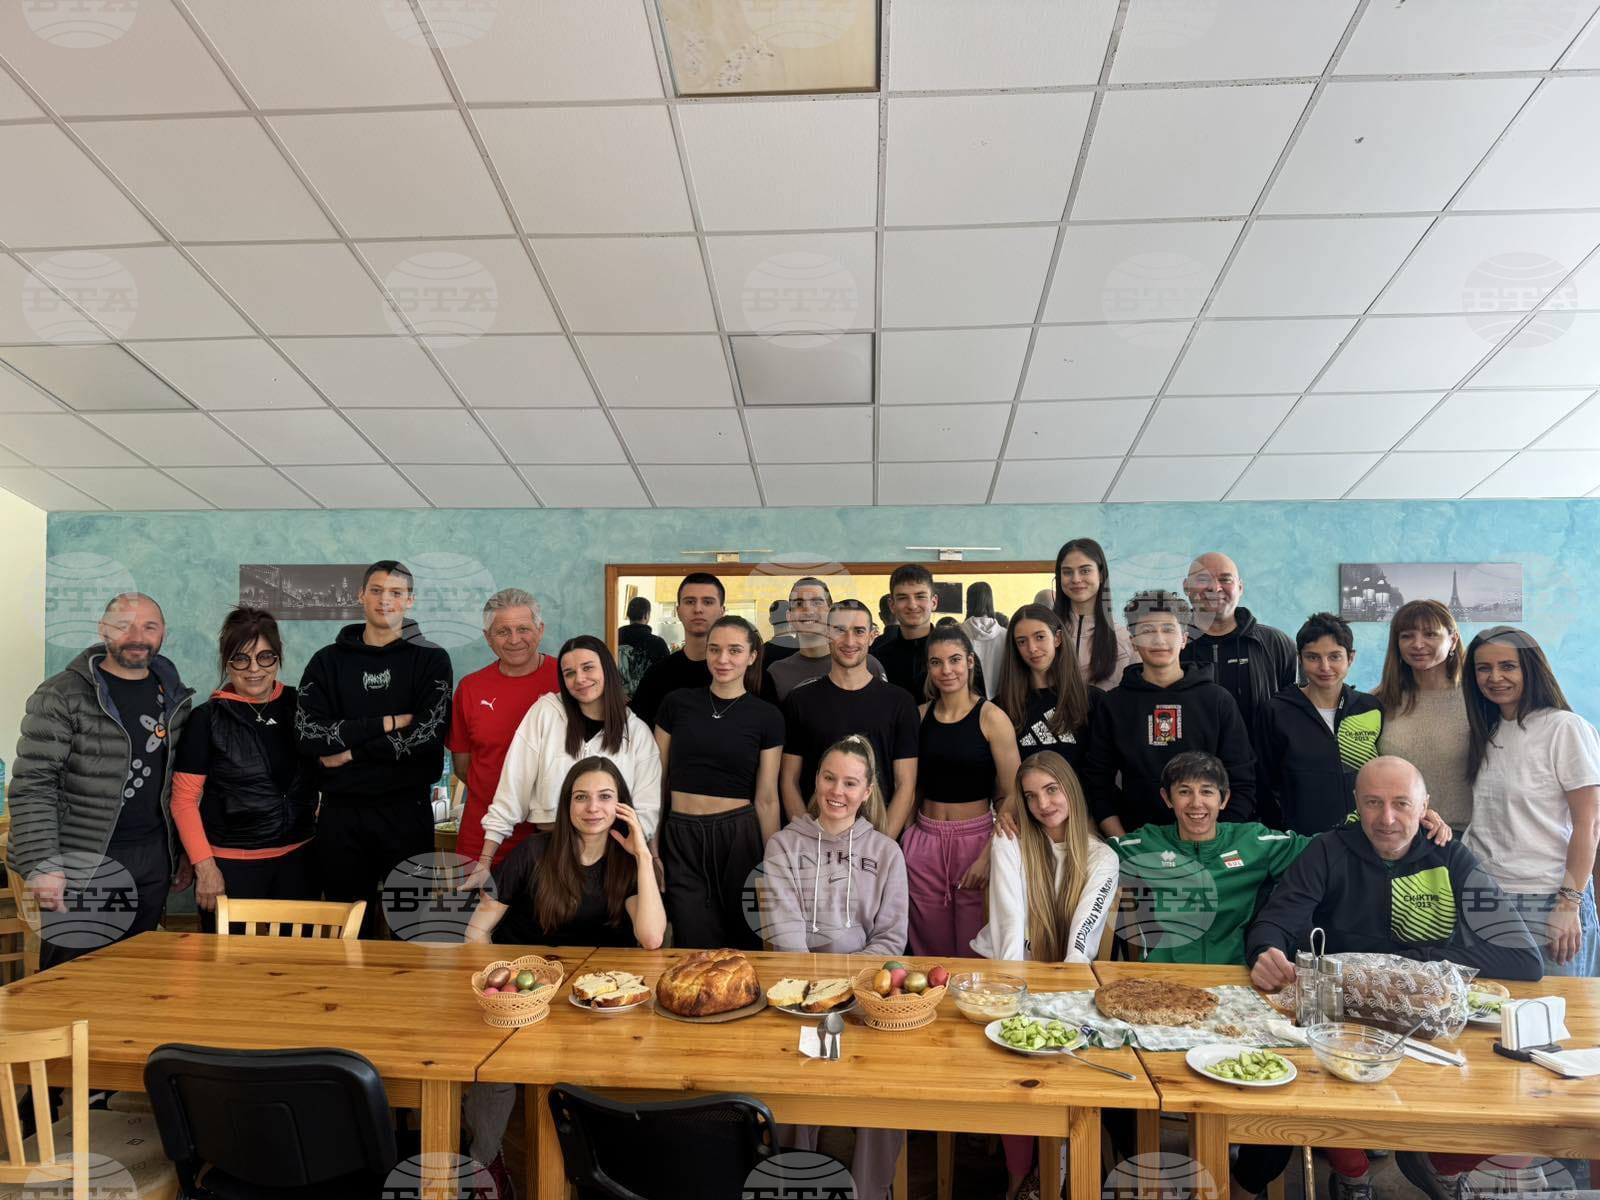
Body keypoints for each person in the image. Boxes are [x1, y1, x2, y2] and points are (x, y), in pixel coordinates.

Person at [1242, 756, 1540, 1200]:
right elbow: (1274, 921)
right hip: (1343, 1020)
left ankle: (1439, 1165)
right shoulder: (1327, 850)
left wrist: (1407, 964)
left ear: (1424, 806)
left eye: (1401, 803)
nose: (1387, 818)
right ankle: (1353, 1175)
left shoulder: (1451, 856)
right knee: (1311, 1064)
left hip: (1431, 1021)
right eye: (1373, 803)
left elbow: (1523, 958)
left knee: (1527, 1096)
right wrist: (1264, 951)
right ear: (1356, 804)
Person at [464, 757, 665, 1195]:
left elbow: (651, 938)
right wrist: (502, 988)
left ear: (622, 806)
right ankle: (484, 1162)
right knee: (493, 1068)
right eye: (581, 797)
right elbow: (477, 931)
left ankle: (598, 1172)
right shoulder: (532, 853)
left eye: (605, 797)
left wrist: (643, 855)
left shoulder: (627, 861)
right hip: (526, 991)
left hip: (594, 1000)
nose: (593, 807)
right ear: (566, 804)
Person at [8, 593, 194, 969]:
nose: (137, 636)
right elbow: (33, 785)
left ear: (163, 633)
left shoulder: (175, 698)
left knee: (136, 972)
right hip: (83, 862)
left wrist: (180, 856)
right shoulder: (62, 694)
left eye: (149, 626)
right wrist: (43, 863)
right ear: (103, 629)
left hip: (152, 860)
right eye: (124, 625)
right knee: (72, 978)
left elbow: (177, 785)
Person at [763, 735, 907, 1200]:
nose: (837, 791)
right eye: (829, 778)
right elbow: (785, 936)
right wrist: (817, 996)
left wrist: (849, 989)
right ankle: (794, 1186)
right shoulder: (783, 845)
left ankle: (870, 1190)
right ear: (816, 780)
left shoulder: (887, 852)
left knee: (885, 1090)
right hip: (799, 1001)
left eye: (850, 783)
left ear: (867, 792)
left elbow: (890, 941)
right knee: (795, 1081)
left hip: (865, 1000)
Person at [973, 750, 1119, 1200]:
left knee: (1073, 1064)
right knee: (1007, 1065)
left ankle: (1059, 1167)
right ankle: (1020, 1171)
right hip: (1006, 976)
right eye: (1031, 796)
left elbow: (1080, 943)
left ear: (1070, 789)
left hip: (1067, 983)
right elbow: (1010, 929)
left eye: (1052, 790)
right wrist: (1014, 1002)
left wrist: (1059, 1007)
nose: (1043, 804)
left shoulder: (1102, 857)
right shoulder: (1010, 842)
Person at [295, 560, 452, 938]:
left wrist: (353, 752)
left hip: (407, 810)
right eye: (377, 591)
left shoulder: (432, 659)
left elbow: (427, 734)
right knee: (347, 926)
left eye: (396, 593)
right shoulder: (327, 661)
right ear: (360, 595)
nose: (385, 600)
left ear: (410, 600)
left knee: (410, 922)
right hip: (341, 813)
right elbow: (309, 734)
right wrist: (388, 723)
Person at [1463, 626, 1600, 977]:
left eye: (1508, 666)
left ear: (1531, 668)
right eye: (1483, 668)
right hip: (1486, 896)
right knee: (1492, 1006)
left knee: (1555, 1009)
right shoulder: (1487, 731)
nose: (1495, 677)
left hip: (1548, 898)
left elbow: (1589, 824)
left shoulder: (1565, 728)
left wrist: (1568, 904)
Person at [172, 607, 317, 928]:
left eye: (265, 657)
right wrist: (205, 867)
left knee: (299, 957)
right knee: (228, 959)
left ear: (277, 658)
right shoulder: (206, 719)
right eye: (241, 659)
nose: (254, 669)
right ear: (227, 662)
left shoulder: (302, 707)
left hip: (299, 861)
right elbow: (183, 801)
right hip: (231, 868)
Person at [475, 636, 661, 883]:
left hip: (613, 859)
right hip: (551, 854)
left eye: (588, 668)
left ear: (607, 669)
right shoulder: (545, 713)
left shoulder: (636, 732)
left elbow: (647, 810)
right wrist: (485, 860)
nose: (580, 679)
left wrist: (647, 858)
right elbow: (512, 789)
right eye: (569, 673)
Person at [655, 616, 784, 949]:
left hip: (739, 835)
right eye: (715, 649)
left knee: (745, 939)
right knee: (691, 938)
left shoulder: (767, 716)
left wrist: (770, 864)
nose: (723, 659)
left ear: (752, 656)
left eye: (734, 650)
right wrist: (652, 845)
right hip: (681, 835)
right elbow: (656, 782)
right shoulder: (676, 704)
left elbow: (767, 798)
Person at [1083, 590, 1255, 837]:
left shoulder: (1218, 701)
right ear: (1133, 641)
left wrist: (1215, 840)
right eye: (1147, 631)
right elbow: (1097, 784)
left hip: (1211, 841)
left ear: (1184, 638)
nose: (1159, 640)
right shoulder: (1113, 705)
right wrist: (1123, 843)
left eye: (1168, 629)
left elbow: (1241, 780)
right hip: (1138, 840)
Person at [904, 626, 1020, 958]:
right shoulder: (919, 716)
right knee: (927, 948)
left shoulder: (992, 718)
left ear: (970, 661)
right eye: (936, 662)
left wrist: (989, 854)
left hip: (976, 840)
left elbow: (1014, 791)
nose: (947, 670)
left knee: (974, 947)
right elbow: (910, 785)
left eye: (955, 660)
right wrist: (909, 838)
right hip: (925, 840)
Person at [781, 601, 919, 836]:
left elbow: (905, 784)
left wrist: (880, 846)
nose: (849, 640)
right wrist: (808, 839)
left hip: (877, 838)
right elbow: (789, 780)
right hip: (814, 839)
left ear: (872, 636)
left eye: (859, 631)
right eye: (840, 630)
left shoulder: (900, 703)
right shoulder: (799, 701)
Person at [447, 589, 559, 872]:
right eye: (502, 631)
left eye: (523, 629)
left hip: (554, 835)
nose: (514, 640)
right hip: (482, 835)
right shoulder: (470, 688)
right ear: (487, 637)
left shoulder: (567, 680)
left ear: (540, 630)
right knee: (475, 902)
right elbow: (464, 768)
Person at [1181, 552, 1295, 821]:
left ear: (1240, 587)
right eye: (1203, 580)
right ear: (1186, 587)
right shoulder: (1172, 647)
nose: (1214, 588)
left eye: (1225, 579)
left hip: (1263, 792)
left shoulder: (1275, 644)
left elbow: (1291, 717)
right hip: (1189, 793)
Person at [1254, 613, 1382, 834]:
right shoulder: (1276, 712)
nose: (1325, 667)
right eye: (1313, 657)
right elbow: (1263, 783)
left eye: (1335, 656)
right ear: (1300, 659)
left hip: (1364, 836)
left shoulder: (1370, 708)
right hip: (1300, 839)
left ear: (1350, 658)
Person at [1374, 599, 1472, 832]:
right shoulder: (1378, 701)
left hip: (1465, 836)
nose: (1417, 644)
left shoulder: (1477, 700)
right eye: (1407, 636)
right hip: (1398, 835)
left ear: (1453, 640)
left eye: (1430, 634)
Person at [996, 604, 1103, 776]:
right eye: (1022, 641)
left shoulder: (1093, 700)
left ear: (1057, 638)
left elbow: (1100, 772)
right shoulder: (1001, 707)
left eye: (1039, 637)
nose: (1032, 648)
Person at [765, 576, 886, 705]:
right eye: (798, 604)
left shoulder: (867, 664)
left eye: (817, 602)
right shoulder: (777, 673)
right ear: (789, 616)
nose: (808, 610)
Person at [628, 573, 726, 727]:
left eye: (707, 602)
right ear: (678, 611)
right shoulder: (656, 675)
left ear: (722, 611)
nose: (698, 609)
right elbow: (638, 733)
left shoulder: (740, 674)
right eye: (690, 602)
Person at [1052, 538, 1134, 691]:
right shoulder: (1045, 633)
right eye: (1067, 572)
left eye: (1085, 571)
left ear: (1101, 575)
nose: (1076, 579)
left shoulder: (1123, 638)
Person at [871, 564, 937, 700]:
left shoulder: (955, 654)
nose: (912, 605)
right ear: (892, 605)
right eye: (902, 598)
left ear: (934, 602)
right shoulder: (879, 658)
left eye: (920, 596)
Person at [960, 582, 1007, 700]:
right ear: (990, 601)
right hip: (1001, 699)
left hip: (966, 699)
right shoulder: (1006, 635)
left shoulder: (957, 634)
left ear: (968, 602)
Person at [616, 595, 669, 700]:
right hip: (650, 702)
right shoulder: (658, 643)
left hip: (617, 701)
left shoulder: (613, 639)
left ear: (628, 614)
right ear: (646, 615)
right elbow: (666, 678)